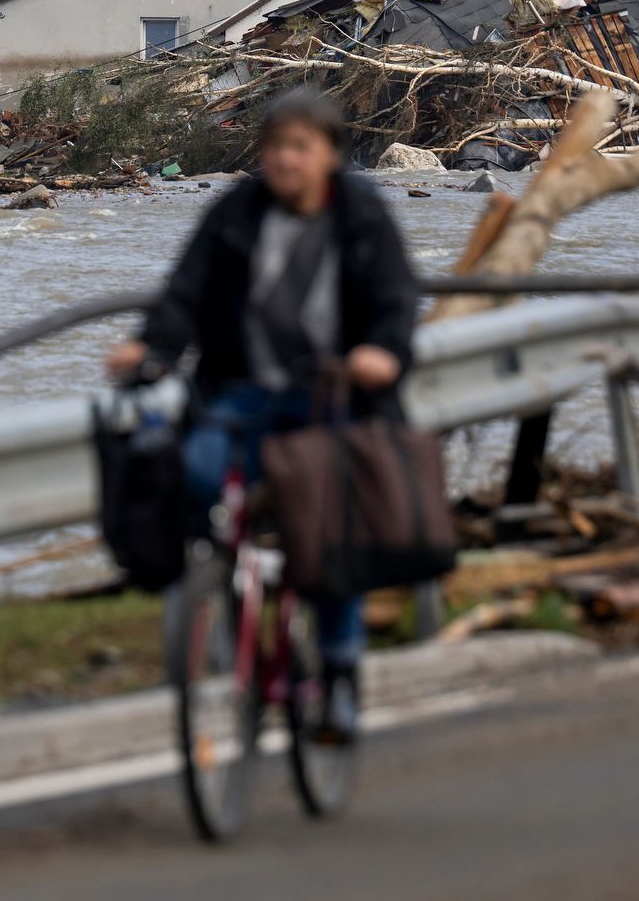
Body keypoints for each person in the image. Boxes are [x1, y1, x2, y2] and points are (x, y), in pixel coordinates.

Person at [105, 87, 419, 740]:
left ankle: (337, 676)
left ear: (331, 155)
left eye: (300, 148)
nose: (284, 161)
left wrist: (382, 354)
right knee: (195, 472)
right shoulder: (236, 213)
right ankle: (224, 590)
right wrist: (153, 348)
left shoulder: (361, 216)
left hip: (331, 394)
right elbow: (184, 294)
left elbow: (395, 300)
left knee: (325, 532)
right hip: (240, 389)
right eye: (275, 148)